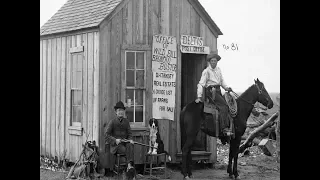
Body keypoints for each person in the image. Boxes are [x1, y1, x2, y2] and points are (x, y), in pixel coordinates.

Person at [195, 52, 233, 137]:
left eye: (215, 61)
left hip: (219, 91)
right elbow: (201, 84)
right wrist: (199, 96)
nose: (213, 62)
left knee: (229, 103)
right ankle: (224, 128)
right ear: (209, 62)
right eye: (212, 61)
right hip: (211, 92)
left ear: (217, 62)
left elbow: (222, 81)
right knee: (224, 106)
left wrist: (226, 88)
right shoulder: (206, 71)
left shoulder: (218, 70)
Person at [105, 101, 134, 173]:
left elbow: (130, 134)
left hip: (124, 143)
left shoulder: (126, 122)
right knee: (125, 149)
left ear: (124, 111)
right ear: (116, 112)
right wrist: (115, 140)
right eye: (119, 110)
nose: (120, 112)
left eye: (122, 110)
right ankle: (129, 166)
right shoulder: (112, 122)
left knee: (130, 145)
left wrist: (130, 139)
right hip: (115, 146)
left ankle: (129, 166)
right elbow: (106, 135)